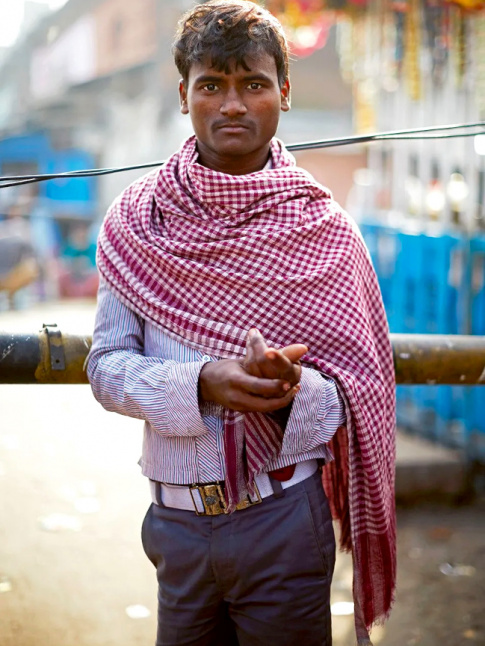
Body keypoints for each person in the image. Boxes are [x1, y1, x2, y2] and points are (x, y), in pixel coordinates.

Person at [86, 2, 396, 645]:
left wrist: (291, 391)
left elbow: (361, 387)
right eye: (212, 85)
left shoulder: (326, 230)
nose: (232, 105)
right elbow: (106, 366)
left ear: (283, 91)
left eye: (252, 84)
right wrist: (203, 382)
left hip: (285, 517)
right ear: (183, 96)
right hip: (174, 525)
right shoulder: (138, 221)